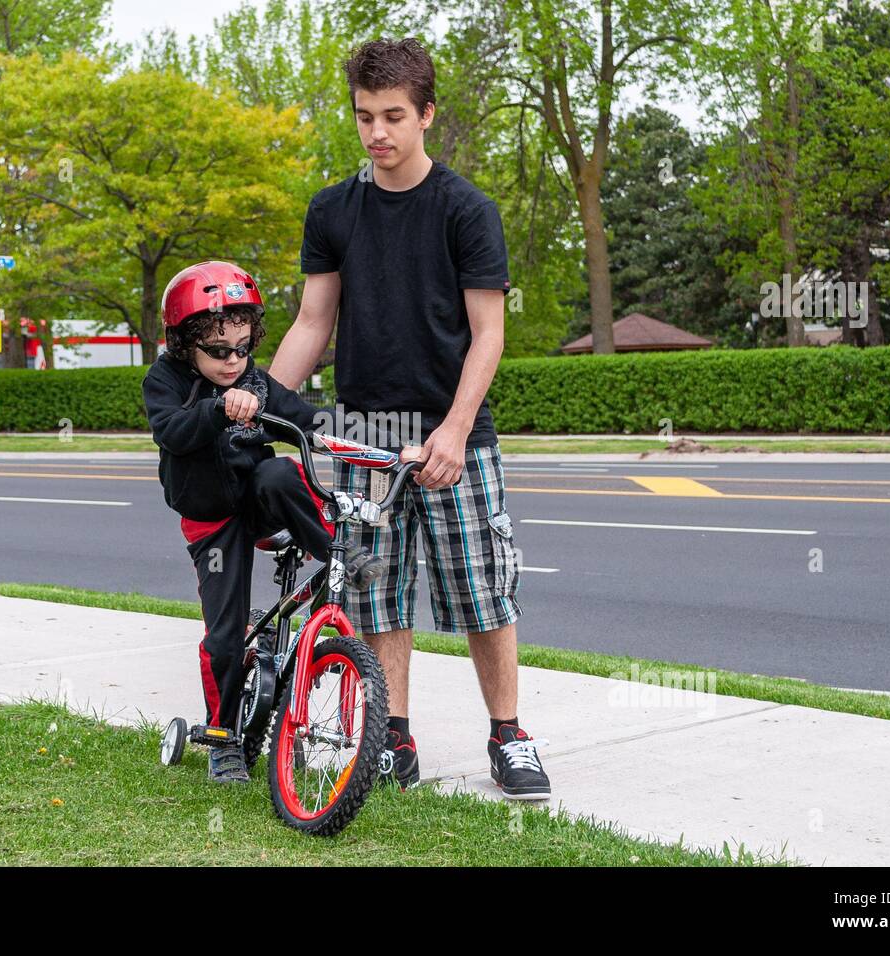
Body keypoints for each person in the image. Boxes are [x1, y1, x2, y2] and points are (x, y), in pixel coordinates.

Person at [268, 39, 551, 800]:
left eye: (393, 116)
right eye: (364, 117)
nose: (376, 133)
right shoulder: (333, 209)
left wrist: (455, 429)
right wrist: (261, 401)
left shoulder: (466, 210)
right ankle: (391, 737)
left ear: (427, 113)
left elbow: (488, 333)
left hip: (455, 434)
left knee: (484, 593)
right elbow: (312, 321)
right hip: (365, 435)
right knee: (376, 597)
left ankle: (508, 735)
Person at [142, 260, 420, 784]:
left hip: (257, 502)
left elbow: (314, 423)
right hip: (211, 520)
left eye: (243, 347)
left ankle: (342, 552)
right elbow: (173, 432)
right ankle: (224, 739)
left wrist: (389, 451)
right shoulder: (166, 380)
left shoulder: (255, 382)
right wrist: (220, 409)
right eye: (218, 351)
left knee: (281, 470)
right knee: (225, 633)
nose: (233, 361)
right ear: (184, 343)